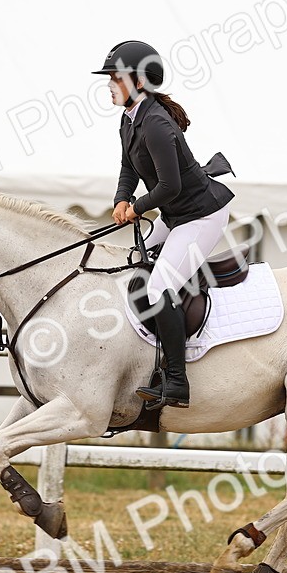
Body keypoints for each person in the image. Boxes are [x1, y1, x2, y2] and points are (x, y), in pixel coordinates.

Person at [92, 40, 235, 409]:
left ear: (139, 82)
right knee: (134, 265)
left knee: (158, 288)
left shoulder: (155, 123)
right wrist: (121, 199)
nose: (109, 84)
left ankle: (177, 381)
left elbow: (170, 187)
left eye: (116, 78)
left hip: (200, 215)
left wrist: (137, 208)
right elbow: (128, 167)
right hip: (175, 215)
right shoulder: (129, 119)